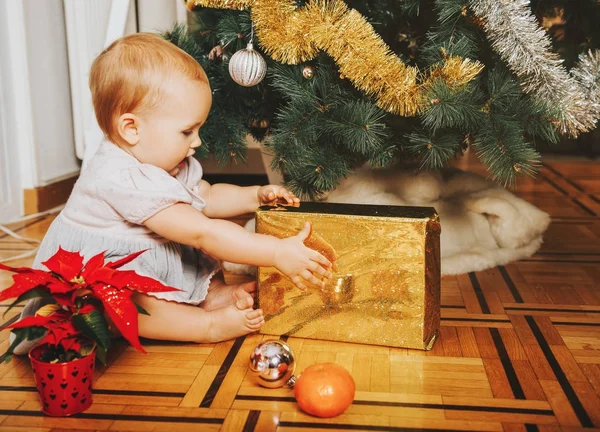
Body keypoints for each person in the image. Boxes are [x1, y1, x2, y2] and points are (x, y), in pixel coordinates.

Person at [17, 33, 333, 347]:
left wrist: (252, 195)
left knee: (192, 252)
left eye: (198, 129)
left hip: (141, 251)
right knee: (135, 301)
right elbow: (202, 232)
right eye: (186, 131)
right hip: (93, 279)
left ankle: (212, 296)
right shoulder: (122, 178)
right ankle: (204, 326)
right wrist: (275, 252)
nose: (196, 141)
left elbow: (204, 197)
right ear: (131, 129)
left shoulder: (163, 160)